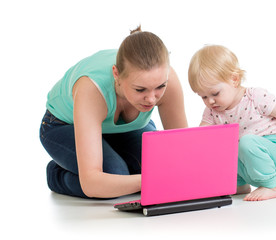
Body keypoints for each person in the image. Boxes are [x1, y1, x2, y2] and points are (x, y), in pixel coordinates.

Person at [40, 26, 188, 199]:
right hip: (63, 125)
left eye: (160, 87)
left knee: (155, 166)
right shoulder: (92, 89)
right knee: (115, 175)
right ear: (116, 74)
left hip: (120, 130)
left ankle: (115, 161)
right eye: (140, 90)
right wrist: (150, 180)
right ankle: (56, 175)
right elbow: (92, 183)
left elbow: (182, 152)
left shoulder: (169, 80)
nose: (151, 99)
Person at [188, 45, 276, 201]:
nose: (210, 101)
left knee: (246, 141)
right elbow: (200, 137)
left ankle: (271, 186)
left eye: (215, 93)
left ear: (234, 80)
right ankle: (239, 184)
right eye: (203, 97)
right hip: (249, 168)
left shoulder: (255, 97)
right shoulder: (212, 111)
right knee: (221, 146)